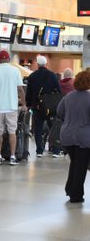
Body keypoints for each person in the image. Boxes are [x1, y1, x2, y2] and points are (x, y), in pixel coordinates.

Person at [0, 50, 27, 166]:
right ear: (9, 58)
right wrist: (24, 104)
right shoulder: (15, 71)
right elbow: (20, 89)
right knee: (12, 132)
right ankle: (12, 157)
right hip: (11, 107)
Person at [57, 71, 90, 203]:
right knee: (80, 166)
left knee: (75, 163)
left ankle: (70, 189)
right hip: (83, 137)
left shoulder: (69, 96)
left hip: (67, 136)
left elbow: (59, 112)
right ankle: (76, 195)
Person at [26, 55, 61, 157]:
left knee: (38, 128)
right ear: (46, 64)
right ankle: (55, 151)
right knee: (53, 128)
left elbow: (29, 92)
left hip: (37, 106)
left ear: (37, 64)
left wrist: (29, 104)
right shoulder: (52, 75)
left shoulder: (32, 76)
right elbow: (58, 90)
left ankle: (39, 151)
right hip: (50, 107)